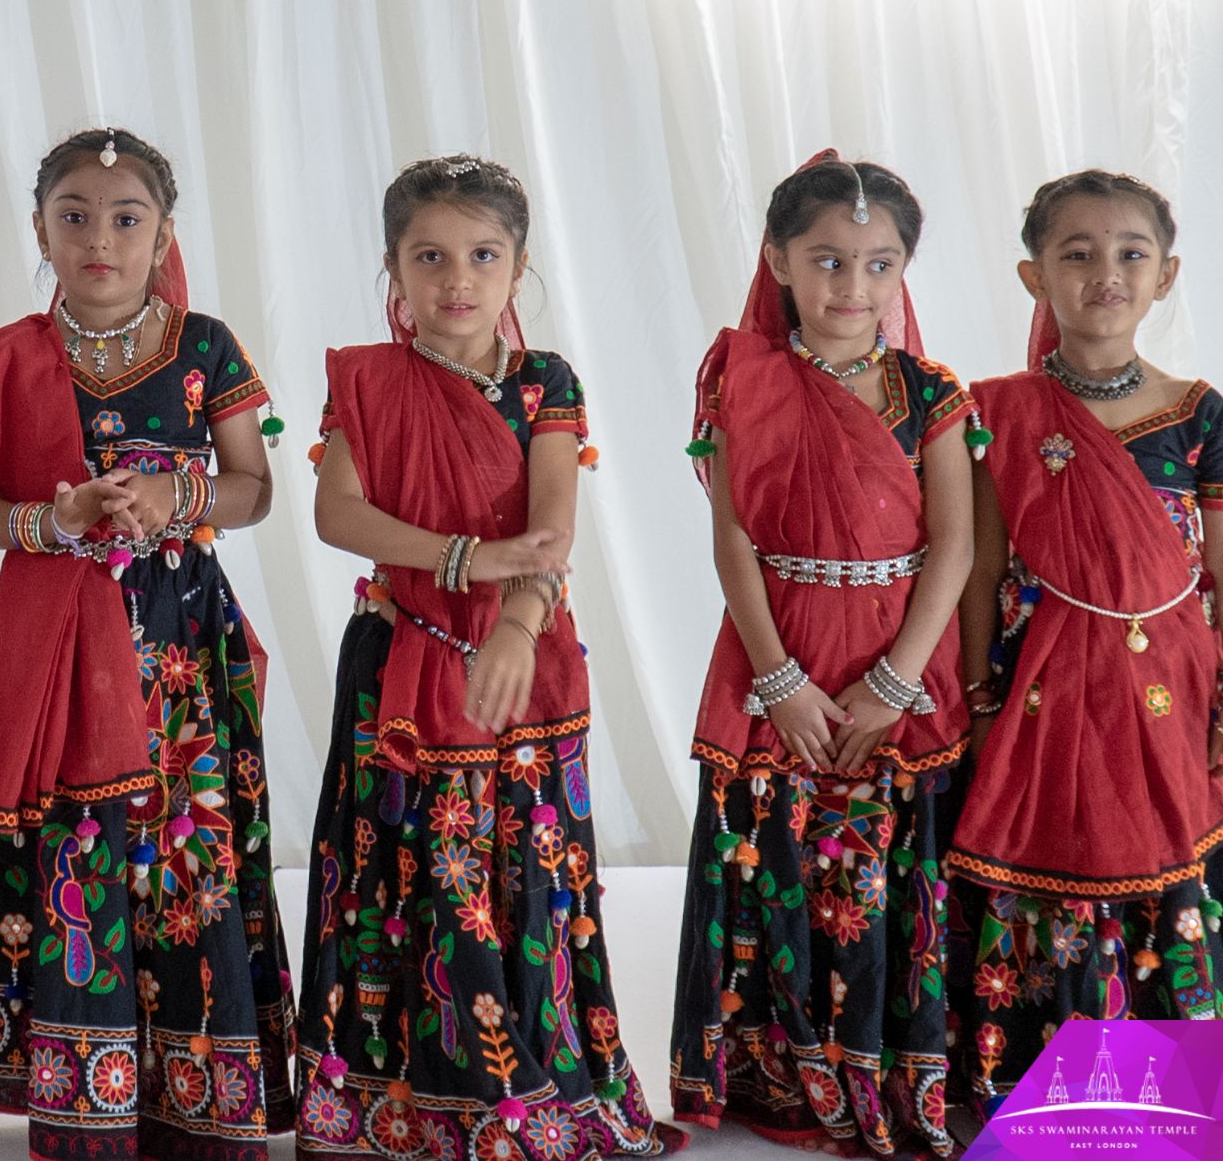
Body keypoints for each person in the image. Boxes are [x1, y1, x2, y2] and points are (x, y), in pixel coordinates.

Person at [302, 155, 679, 1161]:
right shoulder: (366, 381)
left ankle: (525, 1091)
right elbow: (338, 513)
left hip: (523, 662)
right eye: (428, 256)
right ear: (393, 268)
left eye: (481, 254)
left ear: (519, 269)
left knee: (517, 870)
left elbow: (549, 531)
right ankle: (395, 1098)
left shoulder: (544, 384)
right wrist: (465, 558)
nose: (454, 279)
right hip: (399, 656)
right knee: (404, 864)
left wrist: (512, 621)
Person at [0, 127, 293, 1161]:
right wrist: (59, 518)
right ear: (40, 230)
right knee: (77, 842)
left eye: (126, 218)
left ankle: (195, 1088)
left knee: (183, 845)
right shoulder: (3, 362)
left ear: (163, 232)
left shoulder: (203, 346)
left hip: (175, 640)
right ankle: (82, 1086)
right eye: (74, 217)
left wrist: (170, 499)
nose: (100, 238)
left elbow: (255, 490)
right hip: (55, 645)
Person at [669, 152, 976, 1155]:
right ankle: (778, 1071)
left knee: (889, 870)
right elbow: (728, 540)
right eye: (827, 261)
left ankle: (895, 1067)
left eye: (878, 265)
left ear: (902, 272)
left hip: (898, 662)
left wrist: (891, 683)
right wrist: (780, 681)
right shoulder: (738, 377)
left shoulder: (930, 392)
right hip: (777, 651)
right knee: (776, 859)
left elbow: (955, 545)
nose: (853, 288)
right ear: (777, 260)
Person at [947, 170, 1223, 1106]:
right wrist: (981, 701)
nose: (1106, 272)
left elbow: (1219, 577)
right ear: (1034, 278)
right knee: (1051, 872)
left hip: (1172, 692)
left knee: (1168, 874)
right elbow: (981, 574)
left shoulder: (1199, 415)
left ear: (1168, 273)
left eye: (1130, 253)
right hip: (1044, 690)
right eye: (1077, 253)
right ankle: (1044, 1101)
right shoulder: (996, 411)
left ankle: (1164, 1107)